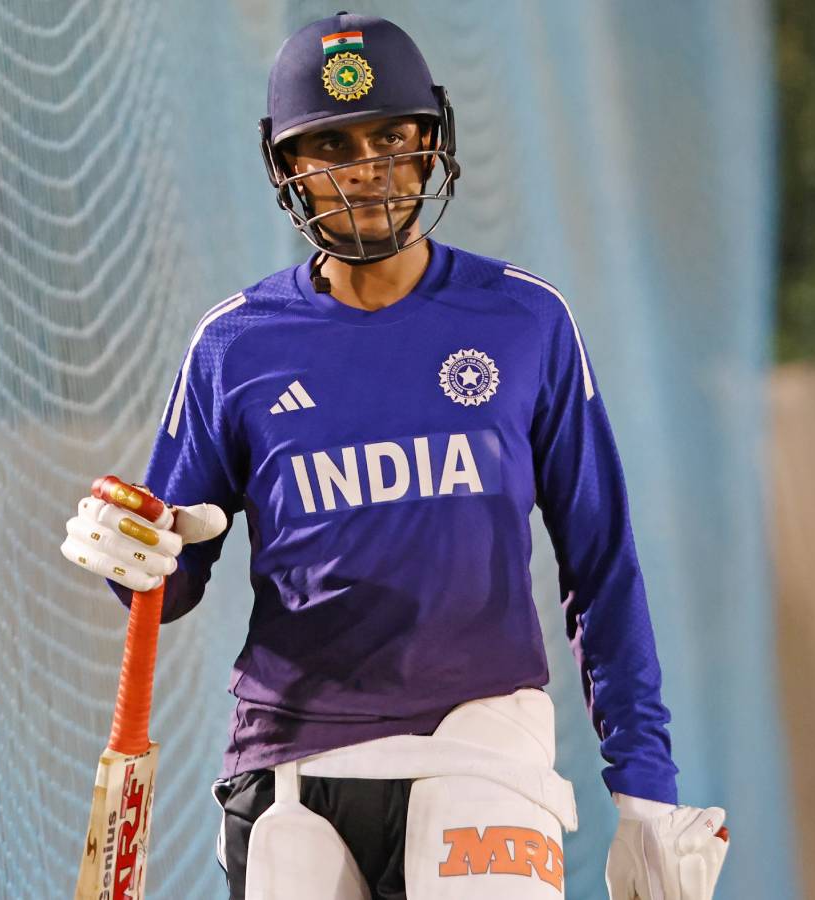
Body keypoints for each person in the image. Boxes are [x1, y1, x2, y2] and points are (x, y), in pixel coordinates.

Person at [61, 12, 729, 900]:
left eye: (391, 136)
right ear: (287, 165)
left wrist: (644, 787)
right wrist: (133, 554)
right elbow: (167, 585)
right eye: (329, 143)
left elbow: (601, 570)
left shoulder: (525, 320)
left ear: (431, 144)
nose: (364, 168)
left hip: (482, 743)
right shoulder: (235, 345)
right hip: (286, 762)